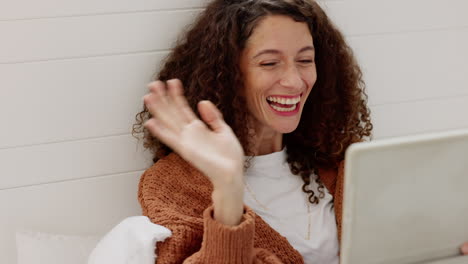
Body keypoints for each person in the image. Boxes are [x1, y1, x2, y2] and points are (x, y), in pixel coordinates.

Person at [133, 0, 468, 263]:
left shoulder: (342, 161)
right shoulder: (174, 185)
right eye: (269, 63)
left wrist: (450, 242)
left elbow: (399, 243)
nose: (294, 81)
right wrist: (228, 187)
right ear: (227, 73)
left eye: (305, 61)